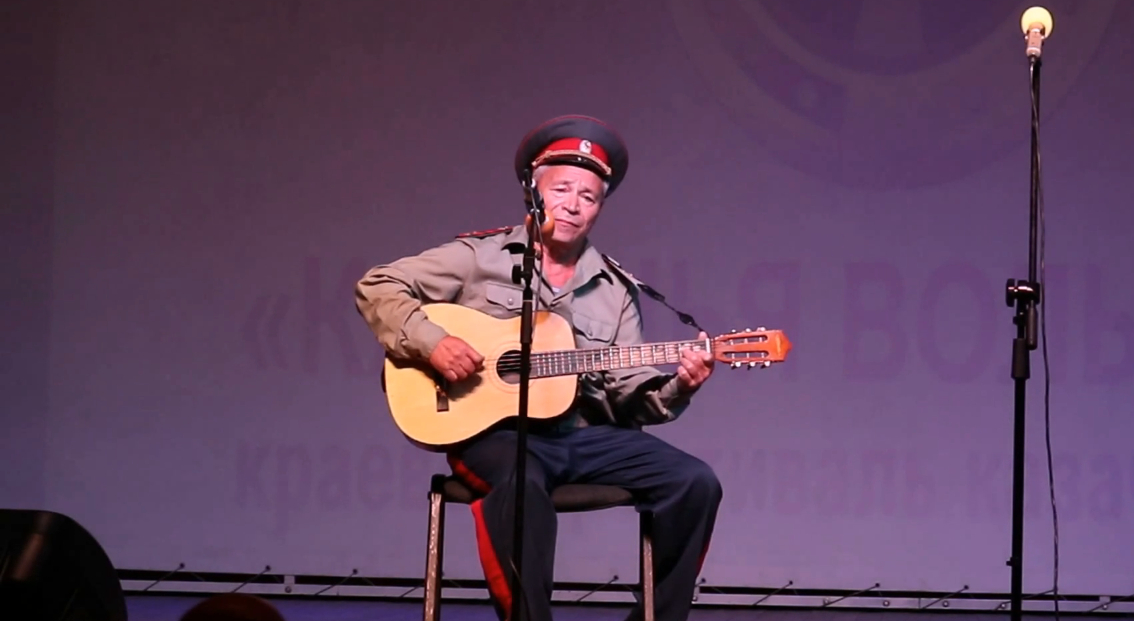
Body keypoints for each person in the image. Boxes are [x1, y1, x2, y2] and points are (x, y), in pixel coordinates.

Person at [355, 114, 722, 621]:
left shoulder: (616, 289)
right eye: (562, 189)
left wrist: (679, 384)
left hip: (584, 437)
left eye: (588, 197)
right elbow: (378, 285)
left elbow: (626, 390)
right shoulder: (479, 257)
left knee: (695, 482)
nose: (573, 205)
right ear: (533, 190)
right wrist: (434, 344)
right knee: (521, 485)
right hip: (493, 434)